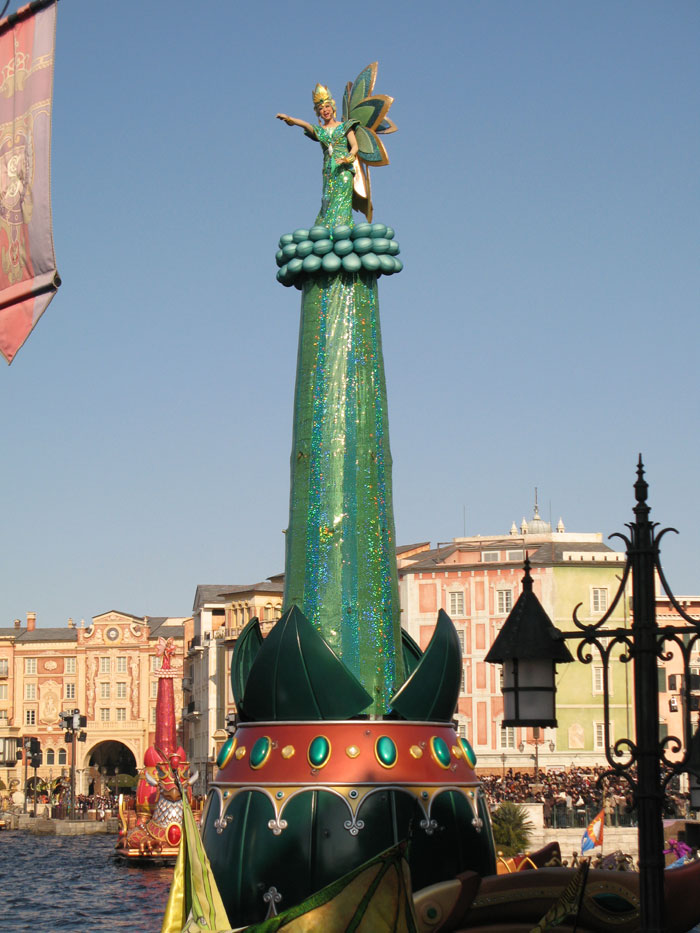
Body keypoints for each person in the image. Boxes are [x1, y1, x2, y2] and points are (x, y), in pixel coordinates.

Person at [277, 83, 359, 228]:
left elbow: (355, 147)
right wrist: (290, 119)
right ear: (317, 112)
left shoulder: (344, 126)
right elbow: (305, 125)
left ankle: (343, 228)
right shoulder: (320, 131)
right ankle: (327, 229)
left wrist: (347, 158)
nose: (325, 110)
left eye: (327, 106)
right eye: (321, 108)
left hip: (343, 170)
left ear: (333, 107)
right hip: (329, 171)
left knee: (342, 198)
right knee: (327, 199)